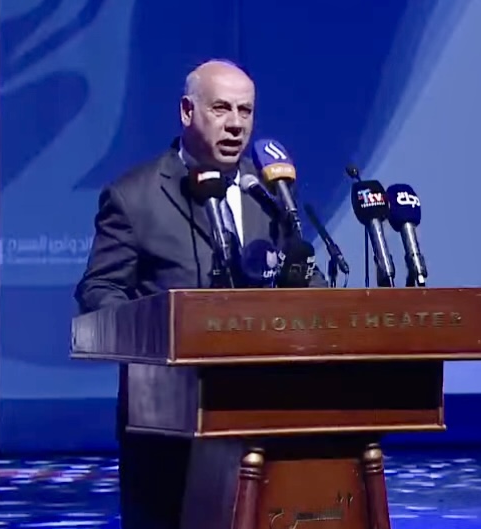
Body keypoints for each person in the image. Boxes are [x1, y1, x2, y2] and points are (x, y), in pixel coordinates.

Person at [74, 60, 326, 529]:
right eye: (221, 109)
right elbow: (99, 290)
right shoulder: (134, 196)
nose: (236, 124)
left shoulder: (269, 193)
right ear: (188, 112)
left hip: (262, 415)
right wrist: (158, 333)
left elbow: (301, 281)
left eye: (246, 112)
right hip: (166, 422)